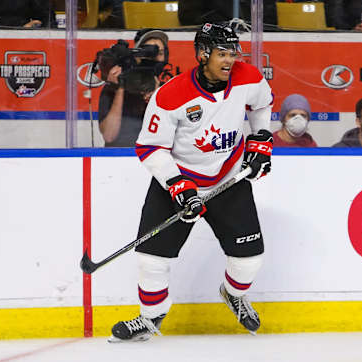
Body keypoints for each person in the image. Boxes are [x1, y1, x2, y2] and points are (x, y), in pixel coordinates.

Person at [108, 23, 274, 342]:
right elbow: (151, 148)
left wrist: (261, 140)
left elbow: (263, 105)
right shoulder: (170, 95)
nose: (229, 61)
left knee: (249, 259)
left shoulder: (249, 78)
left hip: (228, 179)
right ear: (202, 54)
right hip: (179, 179)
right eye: (222, 54)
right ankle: (150, 317)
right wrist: (178, 185)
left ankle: (233, 294)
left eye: (232, 53)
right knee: (151, 259)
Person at [98, 29, 169, 147]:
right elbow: (109, 135)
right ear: (136, 55)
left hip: (153, 158)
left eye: (160, 53)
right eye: (148, 52)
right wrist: (120, 87)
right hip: (120, 158)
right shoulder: (114, 88)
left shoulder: (168, 91)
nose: (154, 58)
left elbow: (170, 137)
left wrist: (157, 97)